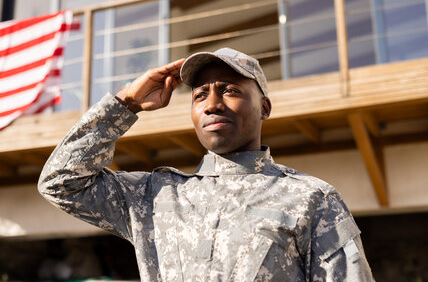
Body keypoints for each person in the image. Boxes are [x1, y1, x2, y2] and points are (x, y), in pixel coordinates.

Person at [38, 47, 374, 281]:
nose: (212, 104)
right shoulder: (154, 198)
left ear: (265, 108)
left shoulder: (311, 199)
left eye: (229, 90)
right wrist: (125, 102)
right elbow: (60, 183)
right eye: (200, 95)